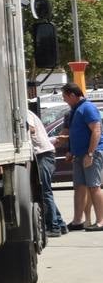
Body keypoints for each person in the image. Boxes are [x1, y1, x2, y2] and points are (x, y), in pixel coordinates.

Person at [60, 83, 103, 232]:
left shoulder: (88, 108)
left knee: (94, 186)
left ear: (72, 95)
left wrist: (90, 154)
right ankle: (77, 221)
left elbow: (96, 130)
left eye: (65, 97)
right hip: (79, 155)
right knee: (79, 187)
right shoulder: (74, 110)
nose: (64, 100)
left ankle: (100, 221)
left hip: (91, 154)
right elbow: (74, 133)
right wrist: (71, 151)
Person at [27, 108, 67, 237]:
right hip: (45, 154)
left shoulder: (26, 113)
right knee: (45, 191)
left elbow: (31, 129)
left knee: (45, 191)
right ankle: (60, 224)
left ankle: (53, 227)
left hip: (43, 155)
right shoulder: (29, 113)